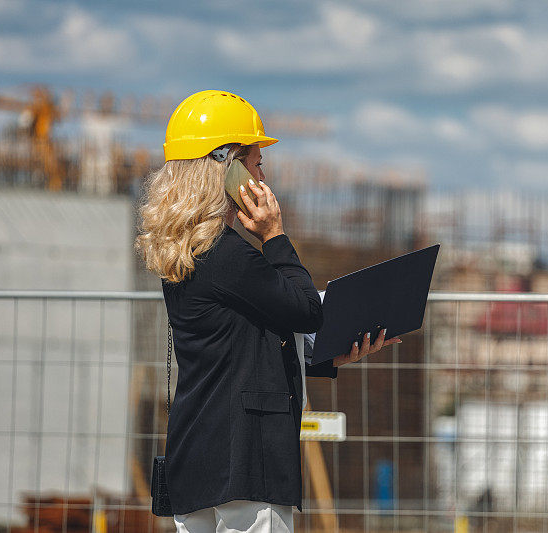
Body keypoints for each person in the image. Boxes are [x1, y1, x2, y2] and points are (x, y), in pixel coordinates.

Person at [135, 90, 401, 533]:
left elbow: (239, 347)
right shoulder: (228, 254)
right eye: (257, 164)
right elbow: (304, 310)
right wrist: (275, 236)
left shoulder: (185, 254)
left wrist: (330, 357)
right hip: (245, 463)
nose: (262, 176)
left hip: (197, 460)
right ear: (229, 169)